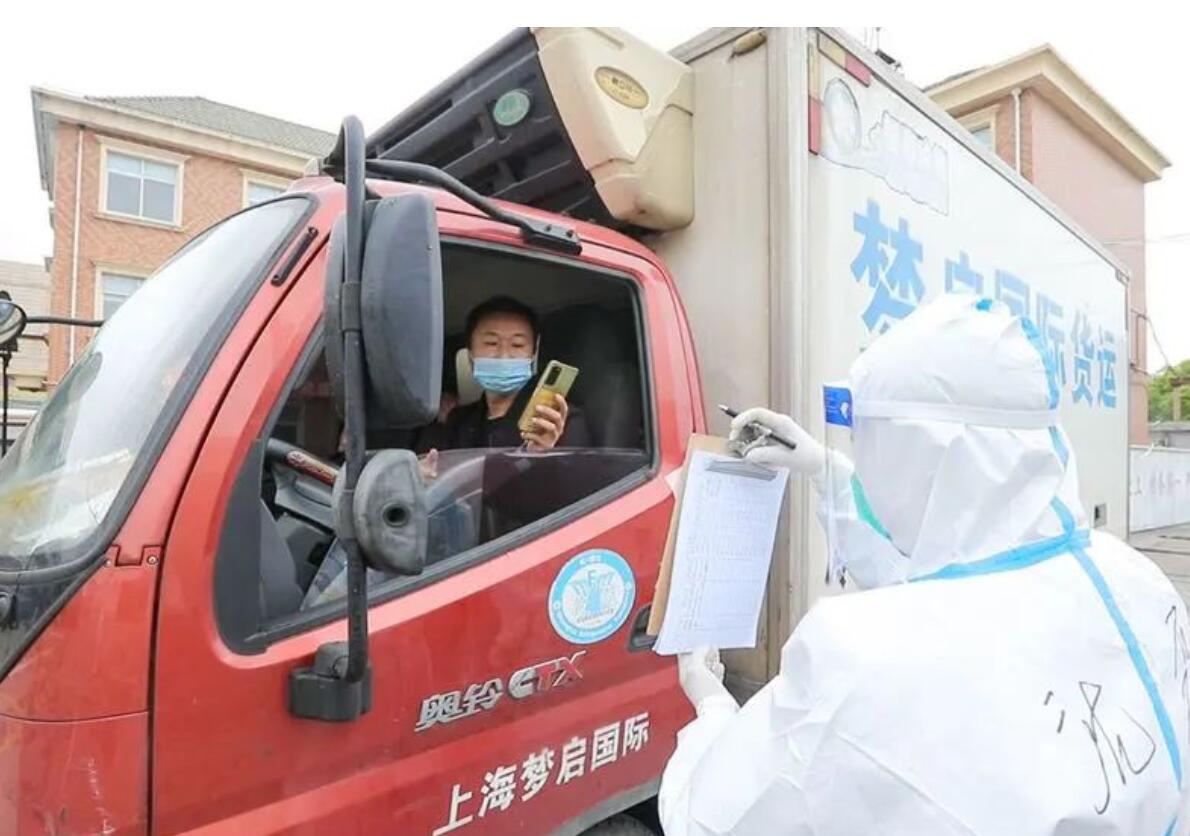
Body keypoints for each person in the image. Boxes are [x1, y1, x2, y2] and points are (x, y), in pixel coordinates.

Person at [658, 294, 1190, 835]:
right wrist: (823, 469)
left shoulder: (862, 656)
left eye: (869, 445)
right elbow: (945, 574)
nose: (866, 467)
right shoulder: (1136, 580)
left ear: (914, 458)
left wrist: (712, 709)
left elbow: (712, 821)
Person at [418, 295, 590, 455]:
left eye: (517, 345)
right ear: (470, 354)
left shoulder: (557, 420)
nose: (503, 356)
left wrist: (542, 456)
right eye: (491, 343)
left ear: (532, 354)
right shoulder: (457, 421)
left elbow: (578, 475)